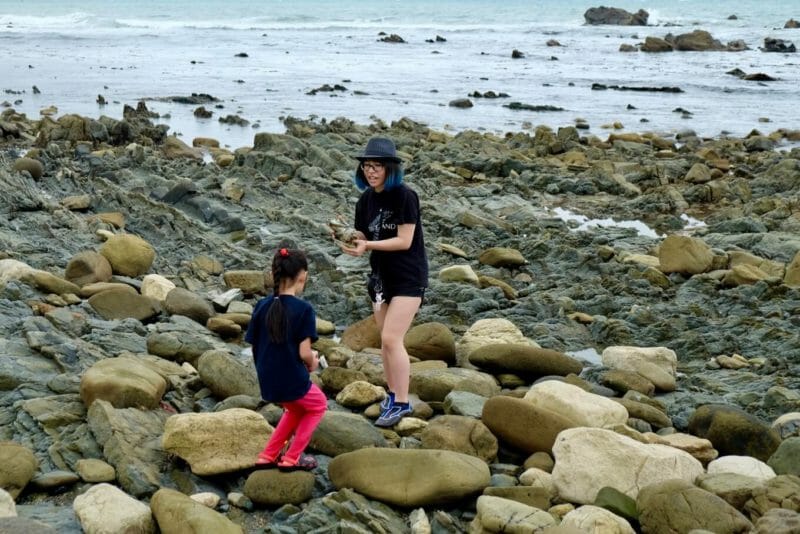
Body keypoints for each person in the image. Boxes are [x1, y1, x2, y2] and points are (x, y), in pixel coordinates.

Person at [342, 137, 428, 427]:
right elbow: (367, 237)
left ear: (390, 168)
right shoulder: (365, 199)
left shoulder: (405, 196)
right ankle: (392, 395)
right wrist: (352, 240)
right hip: (380, 279)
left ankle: (402, 403)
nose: (371, 171)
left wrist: (368, 246)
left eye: (377, 166)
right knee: (385, 342)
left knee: (393, 338)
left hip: (408, 277)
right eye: (366, 166)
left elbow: (405, 241)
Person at [245, 247, 326, 471]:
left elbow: (254, 344)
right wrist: (313, 362)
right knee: (319, 405)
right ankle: (292, 457)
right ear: (301, 278)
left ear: (274, 275)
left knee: (295, 409)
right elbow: (304, 353)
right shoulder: (303, 310)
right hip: (292, 380)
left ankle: (267, 455)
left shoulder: (261, 306)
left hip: (268, 380)